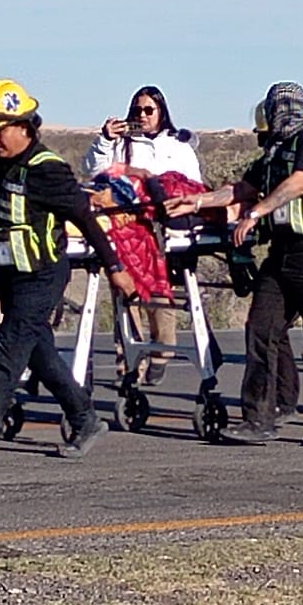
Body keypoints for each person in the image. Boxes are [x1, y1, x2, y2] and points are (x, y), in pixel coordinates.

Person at [0, 78, 136, 466]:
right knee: (40, 353)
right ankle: (85, 419)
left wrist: (115, 266)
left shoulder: (47, 171)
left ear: (24, 127)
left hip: (42, 276)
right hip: (8, 274)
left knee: (8, 352)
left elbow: (85, 218)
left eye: (0, 131)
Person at [167, 82, 303, 448]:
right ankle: (258, 419)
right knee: (261, 330)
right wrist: (197, 201)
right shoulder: (274, 152)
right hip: (283, 254)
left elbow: (300, 182)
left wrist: (255, 213)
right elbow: (242, 188)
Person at [82, 85, 202, 385]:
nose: (143, 115)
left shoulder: (178, 147)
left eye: (149, 110)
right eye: (137, 110)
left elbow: (192, 187)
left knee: (160, 294)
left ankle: (162, 352)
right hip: (125, 228)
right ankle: (129, 363)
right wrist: (105, 140)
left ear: (161, 112)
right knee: (126, 295)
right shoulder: (121, 145)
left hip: (163, 228)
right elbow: (96, 172)